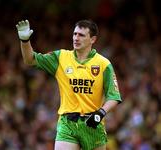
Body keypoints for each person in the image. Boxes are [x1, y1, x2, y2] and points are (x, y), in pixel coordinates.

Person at [16, 19, 122, 150]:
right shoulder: (61, 57)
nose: (76, 38)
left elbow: (114, 96)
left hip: (93, 124)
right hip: (67, 124)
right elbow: (30, 60)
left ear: (93, 39)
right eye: (75, 34)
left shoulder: (104, 64)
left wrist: (100, 113)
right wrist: (25, 41)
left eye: (81, 35)